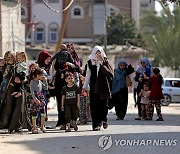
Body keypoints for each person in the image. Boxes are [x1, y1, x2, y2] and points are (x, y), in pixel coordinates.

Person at [83, 46, 113, 131]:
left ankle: (104, 120)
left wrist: (101, 62)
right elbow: (88, 75)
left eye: (99, 52)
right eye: (96, 53)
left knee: (103, 104)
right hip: (93, 86)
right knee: (94, 105)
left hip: (103, 85)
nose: (98, 54)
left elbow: (109, 72)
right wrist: (85, 86)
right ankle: (96, 124)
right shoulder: (90, 62)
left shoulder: (106, 61)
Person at [49, 44, 76, 129]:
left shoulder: (63, 57)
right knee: (63, 103)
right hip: (62, 83)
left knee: (65, 103)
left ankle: (67, 123)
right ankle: (65, 123)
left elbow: (74, 65)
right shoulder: (67, 56)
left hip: (65, 83)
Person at [0, 51, 24, 133]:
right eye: (8, 57)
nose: (10, 59)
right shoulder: (5, 67)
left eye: (11, 57)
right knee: (9, 107)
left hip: (18, 89)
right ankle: (5, 124)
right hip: (8, 90)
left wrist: (19, 81)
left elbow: (23, 76)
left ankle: (16, 125)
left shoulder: (18, 66)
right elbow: (4, 76)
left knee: (18, 108)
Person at [30, 68, 48, 134]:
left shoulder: (40, 81)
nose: (42, 76)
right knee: (34, 113)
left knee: (43, 112)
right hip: (35, 98)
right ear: (37, 75)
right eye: (41, 75)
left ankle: (42, 126)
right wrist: (35, 99)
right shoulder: (32, 82)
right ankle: (34, 127)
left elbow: (46, 88)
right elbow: (31, 91)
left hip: (41, 97)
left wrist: (45, 81)